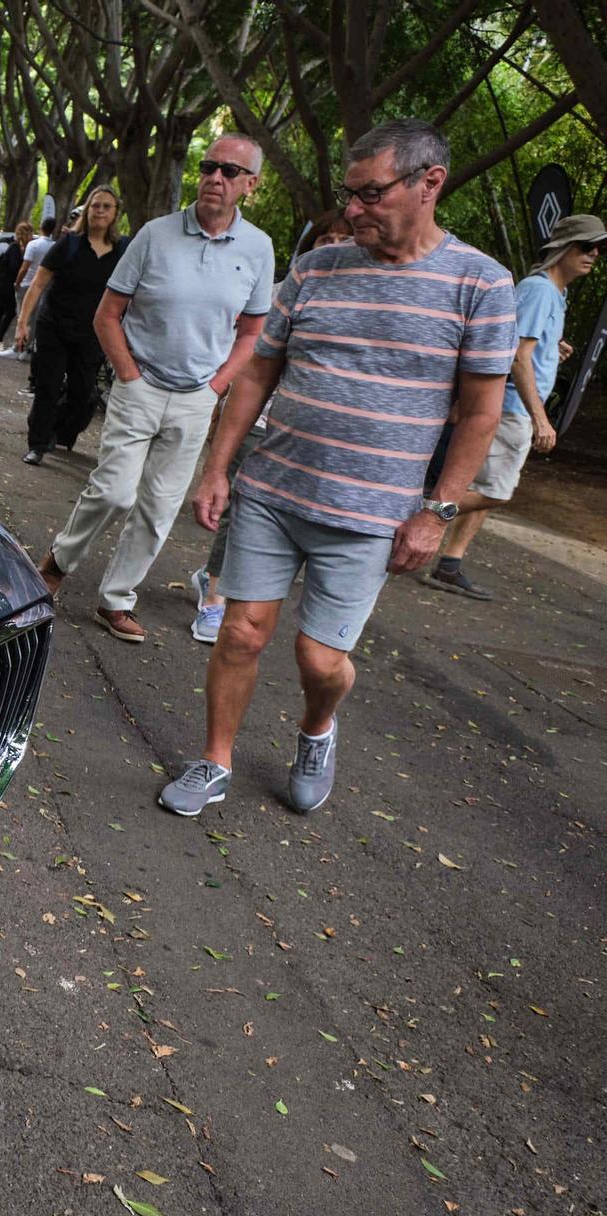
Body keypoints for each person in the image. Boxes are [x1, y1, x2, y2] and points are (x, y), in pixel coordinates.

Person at [159, 119, 516, 818]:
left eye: (370, 194)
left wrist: (436, 512)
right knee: (240, 630)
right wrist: (217, 468)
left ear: (429, 183)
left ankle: (317, 728)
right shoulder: (316, 269)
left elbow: (479, 414)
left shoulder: (480, 283)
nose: (351, 210)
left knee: (320, 660)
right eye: (348, 194)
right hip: (272, 490)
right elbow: (258, 377)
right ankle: (215, 760)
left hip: (370, 514)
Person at [34, 135, 276, 645]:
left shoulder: (258, 248)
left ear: (250, 185)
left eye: (230, 172)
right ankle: (57, 563)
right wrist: (128, 374)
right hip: (140, 384)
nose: (215, 177)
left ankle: (116, 600)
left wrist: (216, 386)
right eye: (209, 166)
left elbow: (252, 332)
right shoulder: (155, 234)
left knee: (159, 507)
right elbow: (108, 314)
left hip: (196, 398)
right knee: (114, 491)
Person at [189, 209, 355, 642]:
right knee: (239, 508)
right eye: (325, 238)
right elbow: (248, 361)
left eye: (345, 238)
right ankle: (214, 595)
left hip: (315, 442)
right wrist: (217, 408)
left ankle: (232, 587)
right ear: (309, 245)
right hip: (260, 421)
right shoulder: (282, 293)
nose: (334, 245)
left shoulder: (364, 303)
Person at [420, 212, 603, 598]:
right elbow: (518, 356)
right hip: (510, 408)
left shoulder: (554, 293)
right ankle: (414, 517)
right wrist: (541, 418)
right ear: (565, 249)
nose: (595, 255)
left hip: (512, 407)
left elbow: (521, 343)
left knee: (486, 485)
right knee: (496, 492)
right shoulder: (539, 290)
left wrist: (555, 346)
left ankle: (450, 563)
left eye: (598, 248)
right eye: (587, 247)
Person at [14, 187, 127, 463]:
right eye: (95, 206)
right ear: (87, 211)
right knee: (47, 388)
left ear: (115, 214)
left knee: (82, 394)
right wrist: (22, 323)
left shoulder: (123, 251)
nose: (99, 211)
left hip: (93, 334)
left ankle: (57, 429)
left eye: (106, 207)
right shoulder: (69, 244)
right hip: (54, 326)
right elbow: (38, 283)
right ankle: (37, 445)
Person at [0, 220, 32, 341]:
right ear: (26, 234)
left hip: (6, 283)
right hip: (7, 283)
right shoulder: (15, 248)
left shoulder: (19, 248)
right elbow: (14, 266)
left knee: (1, 310)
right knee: (10, 311)